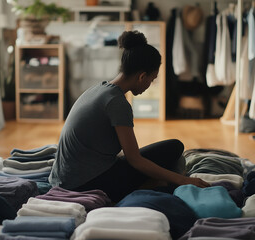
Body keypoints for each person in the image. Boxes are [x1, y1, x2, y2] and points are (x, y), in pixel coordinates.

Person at [49, 30, 210, 202]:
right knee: (174, 147)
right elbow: (135, 160)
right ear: (142, 76)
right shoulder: (117, 103)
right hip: (83, 185)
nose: (151, 84)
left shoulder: (100, 89)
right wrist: (183, 180)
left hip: (62, 179)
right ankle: (154, 186)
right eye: (152, 79)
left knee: (169, 152)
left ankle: (156, 182)